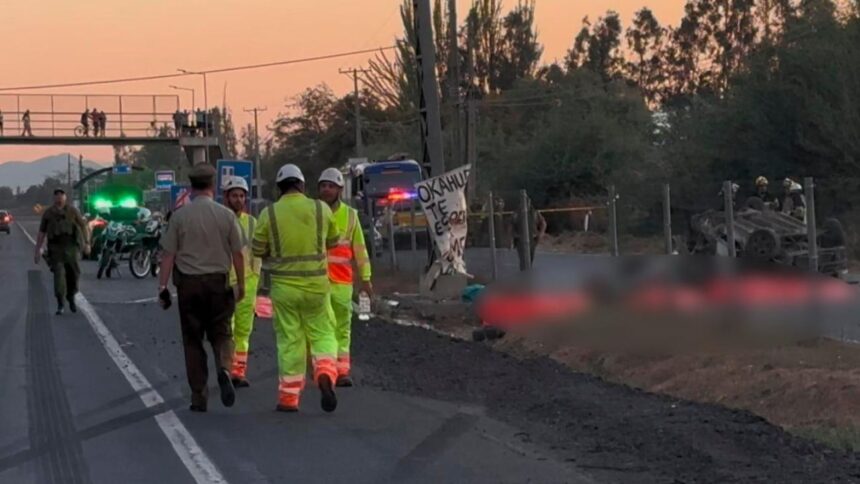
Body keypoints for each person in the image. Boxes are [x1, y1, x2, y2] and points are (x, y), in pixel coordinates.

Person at [252, 164, 341, 413]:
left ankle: (289, 398)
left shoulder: (268, 214)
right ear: (301, 185)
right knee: (323, 332)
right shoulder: (320, 209)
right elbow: (333, 241)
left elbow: (258, 249)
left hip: (284, 289)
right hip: (317, 287)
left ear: (279, 189)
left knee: (290, 340)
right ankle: (324, 373)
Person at [158, 164, 245, 412]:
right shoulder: (227, 216)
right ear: (213, 186)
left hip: (189, 287)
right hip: (219, 284)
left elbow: (168, 255)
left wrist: (162, 287)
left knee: (192, 341)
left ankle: (199, 396)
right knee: (223, 334)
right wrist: (241, 284)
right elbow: (238, 253)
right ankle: (225, 369)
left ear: (191, 187)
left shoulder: (179, 216)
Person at [317, 168, 371, 387]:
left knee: (342, 328)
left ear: (339, 189)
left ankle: (342, 371)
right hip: (317, 282)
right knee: (321, 328)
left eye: (331, 186)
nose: (326, 189)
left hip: (342, 282)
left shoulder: (350, 215)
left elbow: (359, 248)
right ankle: (325, 369)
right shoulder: (313, 212)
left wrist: (366, 278)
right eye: (323, 186)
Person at [221, 176, 261, 388]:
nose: (238, 199)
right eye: (234, 195)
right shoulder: (219, 220)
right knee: (227, 329)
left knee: (243, 331)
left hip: (247, 284)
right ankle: (226, 369)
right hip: (223, 283)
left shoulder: (252, 223)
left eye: (241, 196)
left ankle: (238, 372)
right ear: (226, 197)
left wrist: (254, 277)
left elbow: (258, 253)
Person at [34, 188, 91, 315]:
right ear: (54, 198)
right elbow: (42, 232)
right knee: (59, 276)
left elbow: (83, 226)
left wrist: (87, 243)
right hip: (56, 249)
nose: (59, 198)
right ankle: (60, 302)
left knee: (74, 274)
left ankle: (71, 296)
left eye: (61, 195)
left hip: (71, 248)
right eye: (57, 195)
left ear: (65, 197)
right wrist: (38, 250)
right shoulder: (48, 213)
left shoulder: (72, 211)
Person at [513, 195, 547, 271]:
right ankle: (523, 276)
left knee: (530, 259)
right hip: (520, 240)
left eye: (527, 202)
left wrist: (541, 234)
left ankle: (527, 275)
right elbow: (511, 225)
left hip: (532, 239)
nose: (526, 204)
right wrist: (513, 236)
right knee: (523, 260)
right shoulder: (517, 213)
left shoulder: (534, 212)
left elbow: (543, 223)